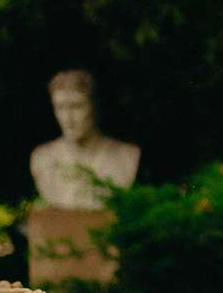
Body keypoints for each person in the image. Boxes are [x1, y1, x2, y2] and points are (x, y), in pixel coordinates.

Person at [29, 71, 140, 210]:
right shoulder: (43, 158)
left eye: (77, 107)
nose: (67, 118)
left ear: (95, 106)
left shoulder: (126, 157)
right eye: (60, 107)